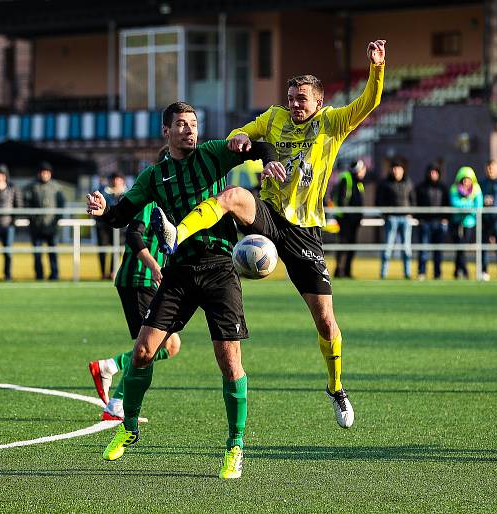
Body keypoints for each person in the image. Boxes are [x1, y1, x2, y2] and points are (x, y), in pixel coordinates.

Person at [151, 39, 386, 429]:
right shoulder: (275, 117)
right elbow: (243, 133)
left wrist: (377, 69)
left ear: (319, 102)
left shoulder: (332, 123)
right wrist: (241, 137)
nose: (294, 104)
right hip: (269, 215)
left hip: (305, 232)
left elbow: (369, 103)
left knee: (326, 321)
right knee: (234, 196)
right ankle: (177, 232)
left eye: (302, 99)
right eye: (291, 97)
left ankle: (336, 386)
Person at [86, 101, 277, 479]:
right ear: (166, 132)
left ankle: (235, 445)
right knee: (142, 351)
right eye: (182, 125)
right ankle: (130, 427)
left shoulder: (211, 154)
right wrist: (103, 210)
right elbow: (123, 216)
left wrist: (266, 158)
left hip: (221, 269)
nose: (190, 130)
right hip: (179, 273)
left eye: (193, 123)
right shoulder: (154, 176)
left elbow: (259, 148)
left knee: (229, 361)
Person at [88, 200, 182, 421]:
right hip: (138, 280)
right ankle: (116, 403)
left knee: (170, 345)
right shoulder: (151, 200)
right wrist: (154, 266)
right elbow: (133, 235)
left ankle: (110, 368)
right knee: (157, 345)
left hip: (152, 282)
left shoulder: (176, 200)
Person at [23, 162, 65, 280]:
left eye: (47, 172)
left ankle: (55, 274)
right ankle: (39, 275)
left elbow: (61, 204)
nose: (44, 174)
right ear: (38, 173)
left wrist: (56, 220)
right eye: (42, 172)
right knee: (37, 254)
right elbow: (26, 204)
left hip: (52, 227)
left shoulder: (56, 187)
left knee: (53, 252)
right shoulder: (31, 187)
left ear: (50, 174)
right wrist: (33, 219)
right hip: (36, 227)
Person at [376, 161, 415, 279]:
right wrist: (386, 214)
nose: (396, 171)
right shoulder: (385, 183)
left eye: (398, 168)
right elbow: (379, 200)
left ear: (403, 170)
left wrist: (411, 213)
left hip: (405, 218)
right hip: (391, 218)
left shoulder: (409, 183)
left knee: (407, 248)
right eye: (394, 168)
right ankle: (383, 274)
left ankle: (407, 274)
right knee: (387, 248)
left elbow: (413, 199)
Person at [415, 163, 449, 280]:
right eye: (430, 172)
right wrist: (419, 218)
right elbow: (416, 204)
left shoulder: (443, 188)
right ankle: (422, 272)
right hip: (425, 223)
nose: (432, 174)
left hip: (439, 223)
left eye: (435, 172)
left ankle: (437, 273)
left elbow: (447, 204)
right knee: (423, 250)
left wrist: (445, 218)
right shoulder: (421, 188)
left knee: (438, 251)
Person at [333, 159, 366, 278]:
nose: (363, 172)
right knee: (343, 245)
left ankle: (347, 271)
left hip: (354, 220)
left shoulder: (359, 182)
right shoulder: (346, 178)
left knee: (351, 246)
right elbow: (342, 200)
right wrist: (348, 215)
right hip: (345, 219)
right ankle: (339, 271)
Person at [449, 166, 483, 279]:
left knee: (462, 247)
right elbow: (455, 204)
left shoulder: (476, 189)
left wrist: (465, 207)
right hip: (456, 222)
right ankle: (463, 270)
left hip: (469, 223)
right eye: (463, 179)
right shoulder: (454, 189)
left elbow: (478, 206)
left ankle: (459, 271)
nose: (465, 181)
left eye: (467, 179)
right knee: (459, 247)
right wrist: (469, 206)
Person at [96, 172, 127, 280]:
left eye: (118, 178)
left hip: (120, 227)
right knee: (103, 249)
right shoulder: (102, 192)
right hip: (104, 225)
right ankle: (103, 273)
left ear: (122, 180)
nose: (115, 181)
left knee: (117, 249)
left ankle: (113, 271)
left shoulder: (127, 193)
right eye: (113, 179)